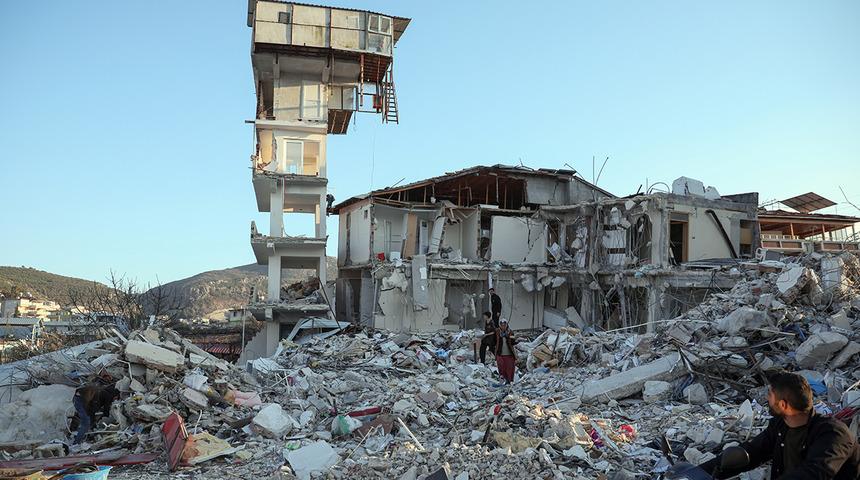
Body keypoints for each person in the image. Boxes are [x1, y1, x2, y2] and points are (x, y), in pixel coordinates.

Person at [701, 371, 860, 479]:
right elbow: (753, 451)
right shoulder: (781, 425)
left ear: (783, 405)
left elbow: (813, 474)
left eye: (769, 395)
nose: (767, 400)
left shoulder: (834, 434)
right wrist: (697, 474)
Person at [494, 318, 517, 384]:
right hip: (500, 354)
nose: (503, 326)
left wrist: (512, 338)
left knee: (509, 369)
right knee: (502, 369)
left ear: (506, 325)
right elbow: (494, 341)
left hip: (509, 354)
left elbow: (513, 342)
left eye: (504, 325)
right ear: (500, 325)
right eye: (502, 325)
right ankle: (503, 381)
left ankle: (510, 382)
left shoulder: (510, 332)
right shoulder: (497, 332)